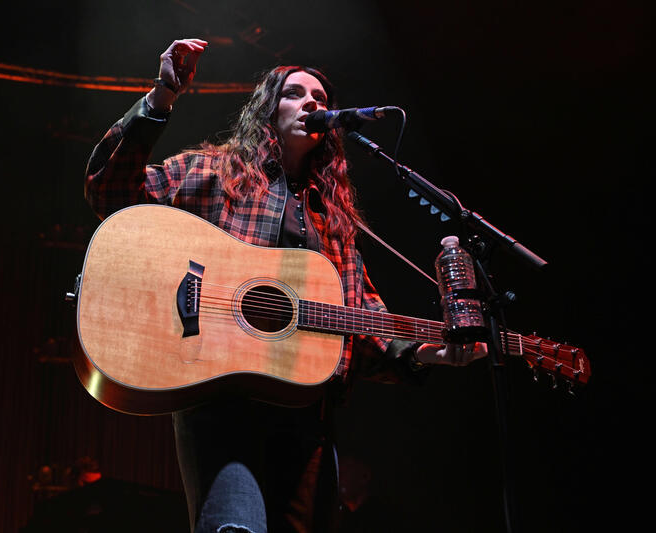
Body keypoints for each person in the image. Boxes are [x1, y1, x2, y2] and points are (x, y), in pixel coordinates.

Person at [85, 38, 486, 533]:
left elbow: (363, 322)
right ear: (268, 110)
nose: (313, 103)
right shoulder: (216, 171)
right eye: (295, 93)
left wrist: (433, 352)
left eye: (320, 98)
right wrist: (162, 95)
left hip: (304, 416)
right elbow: (110, 189)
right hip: (220, 401)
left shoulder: (335, 219)